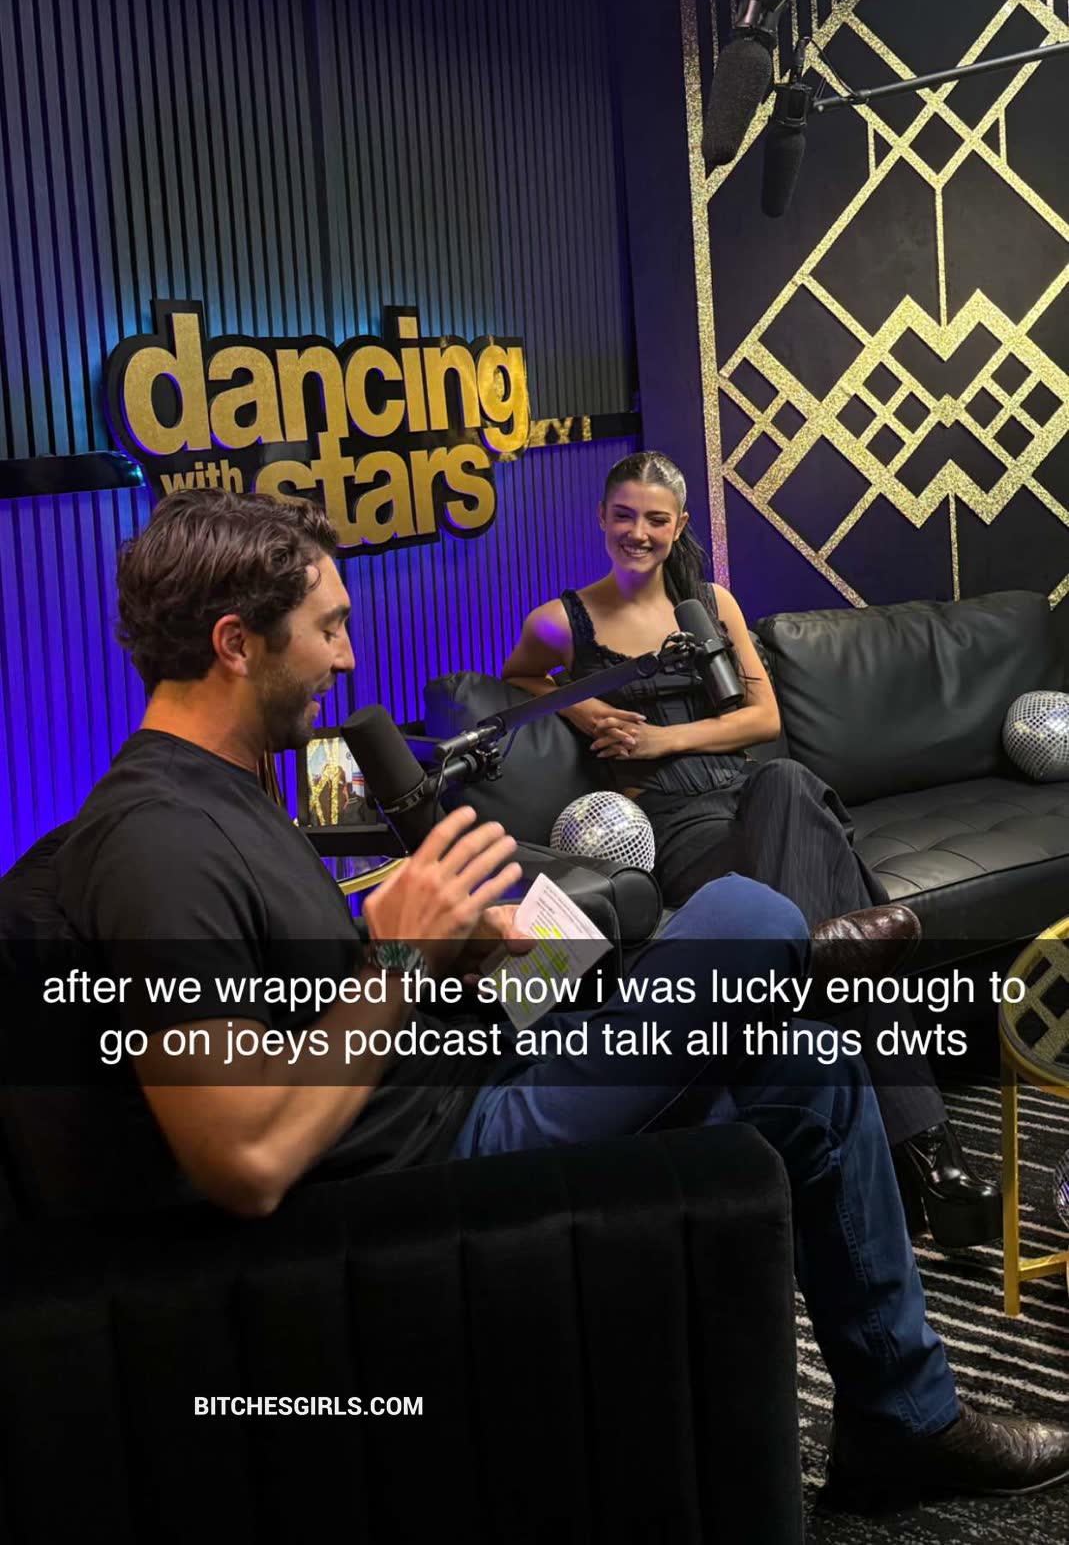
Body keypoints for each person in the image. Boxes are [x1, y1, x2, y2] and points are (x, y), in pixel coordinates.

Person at [7, 487, 1067, 1514]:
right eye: (328, 628)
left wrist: (449, 954)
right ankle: (787, 960)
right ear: (236, 643)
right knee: (746, 911)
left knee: (805, 1062)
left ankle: (901, 1421)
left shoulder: (226, 795)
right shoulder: (157, 841)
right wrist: (401, 961)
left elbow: (300, 1009)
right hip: (442, 1158)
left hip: (458, 1071)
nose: (348, 657)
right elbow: (240, 1155)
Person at [501, 449, 998, 1249]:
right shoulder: (562, 621)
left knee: (786, 782)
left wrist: (663, 737)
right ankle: (930, 1156)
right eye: (623, 516)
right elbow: (523, 681)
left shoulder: (711, 605)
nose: (637, 533)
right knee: (833, 893)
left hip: (754, 801)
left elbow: (763, 721)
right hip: (678, 828)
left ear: (678, 525)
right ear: (600, 518)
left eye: (655, 519)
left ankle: (815, 984)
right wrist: (584, 714)